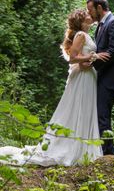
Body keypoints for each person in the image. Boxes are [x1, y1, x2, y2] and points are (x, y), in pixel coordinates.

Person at [0, 9, 103, 166]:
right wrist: (92, 57)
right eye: (87, 14)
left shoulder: (85, 34)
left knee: (83, 109)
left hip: (87, 76)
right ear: (82, 21)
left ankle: (82, 147)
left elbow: (79, 59)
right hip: (82, 78)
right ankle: (75, 147)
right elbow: (73, 58)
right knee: (78, 108)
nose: (90, 14)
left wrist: (86, 60)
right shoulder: (81, 35)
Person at [86, 0, 114, 156]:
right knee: (100, 114)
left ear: (99, 8)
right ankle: (104, 152)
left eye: (90, 9)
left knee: (102, 114)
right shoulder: (101, 25)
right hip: (102, 76)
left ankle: (108, 155)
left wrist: (93, 61)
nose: (88, 13)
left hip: (111, 77)